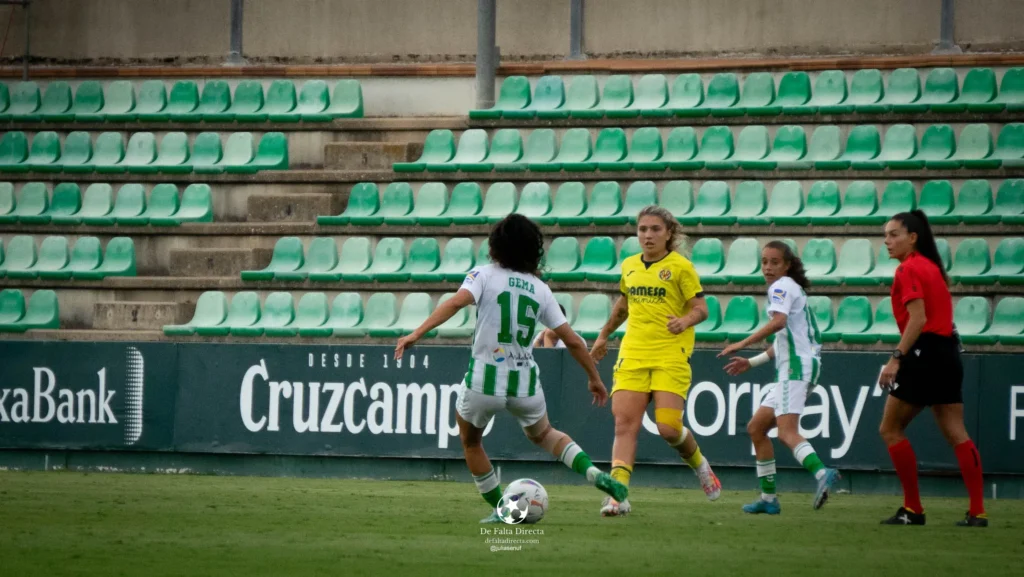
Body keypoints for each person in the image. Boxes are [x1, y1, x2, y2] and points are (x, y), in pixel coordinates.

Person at [395, 214, 628, 523]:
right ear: (534, 249)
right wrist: (594, 378)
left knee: (471, 442)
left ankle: (502, 509)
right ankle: (592, 471)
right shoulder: (539, 288)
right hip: (525, 381)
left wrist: (415, 333)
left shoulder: (483, 275)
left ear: (496, 245)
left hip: (484, 378)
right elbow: (572, 341)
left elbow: (455, 303)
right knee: (546, 433)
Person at [590, 205, 721, 517]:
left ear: (669, 234)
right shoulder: (630, 265)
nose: (647, 235)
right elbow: (623, 304)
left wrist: (686, 321)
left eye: (655, 229)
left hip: (669, 355)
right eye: (643, 229)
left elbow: (702, 308)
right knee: (624, 423)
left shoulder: (681, 267)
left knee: (668, 427)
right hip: (633, 353)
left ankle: (701, 465)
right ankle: (618, 496)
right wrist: (604, 334)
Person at [876, 210, 987, 527]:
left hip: (924, 351)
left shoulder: (908, 269)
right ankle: (978, 512)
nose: (887, 240)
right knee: (957, 433)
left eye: (894, 234)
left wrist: (896, 357)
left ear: (913, 237)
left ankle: (913, 509)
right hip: (948, 352)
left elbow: (919, 319)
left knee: (890, 429)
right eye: (885, 234)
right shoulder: (933, 268)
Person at [719, 241, 841, 514]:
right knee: (756, 428)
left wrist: (742, 344)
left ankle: (823, 473)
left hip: (796, 369)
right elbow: (782, 340)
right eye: (764, 262)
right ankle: (769, 499)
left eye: (774, 262)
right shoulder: (791, 289)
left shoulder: (781, 287)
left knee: (787, 431)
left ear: (787, 265)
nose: (768, 267)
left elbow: (778, 323)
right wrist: (751, 362)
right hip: (797, 367)